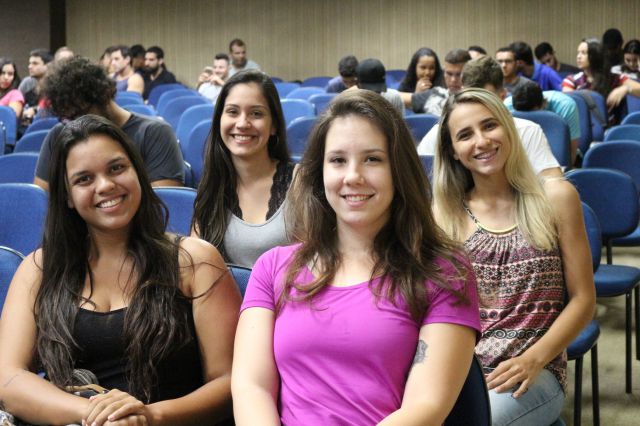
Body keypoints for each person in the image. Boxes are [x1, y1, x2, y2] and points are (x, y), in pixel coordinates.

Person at [232, 89, 481, 425]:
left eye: (372, 159)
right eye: (338, 160)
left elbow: (426, 406)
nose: (352, 176)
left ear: (399, 170)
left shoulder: (444, 271)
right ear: (320, 172)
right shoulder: (272, 267)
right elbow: (251, 388)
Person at [0, 114, 240, 425]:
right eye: (84, 179)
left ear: (137, 172)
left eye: (116, 168)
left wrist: (147, 416)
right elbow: (8, 379)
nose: (105, 185)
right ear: (68, 197)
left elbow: (229, 382)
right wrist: (98, 414)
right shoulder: (40, 270)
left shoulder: (195, 261)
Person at [433, 87, 595, 426]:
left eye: (489, 125)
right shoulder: (444, 215)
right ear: (453, 152)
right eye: (465, 135)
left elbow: (583, 300)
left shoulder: (556, 197)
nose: (481, 141)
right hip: (462, 371)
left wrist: (533, 359)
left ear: (508, 129)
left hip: (533, 371)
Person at [192, 69, 294, 269]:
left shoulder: (300, 182)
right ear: (219, 119)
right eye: (232, 112)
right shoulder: (211, 185)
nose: (242, 123)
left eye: (256, 113)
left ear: (273, 125)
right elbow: (196, 265)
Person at [34, 56, 184, 190]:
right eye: (68, 118)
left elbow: (164, 204)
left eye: (81, 114)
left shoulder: (154, 133)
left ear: (104, 96)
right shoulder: (59, 134)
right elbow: (40, 201)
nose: (76, 124)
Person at [418, 55, 561, 178]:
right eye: (470, 100)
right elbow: (420, 182)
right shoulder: (441, 133)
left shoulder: (527, 131)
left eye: (486, 101)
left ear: (502, 97)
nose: (477, 109)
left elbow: (553, 184)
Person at [562, 38, 640, 124]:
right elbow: (568, 105)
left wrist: (626, 88)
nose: (578, 56)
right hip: (582, 126)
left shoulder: (615, 78)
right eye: (578, 52)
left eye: (583, 53)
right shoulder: (572, 80)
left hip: (610, 128)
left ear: (595, 55)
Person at [506, 79, 581, 164]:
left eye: (534, 116)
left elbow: (570, 154)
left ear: (544, 103)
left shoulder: (565, 106)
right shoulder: (508, 106)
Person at [402, 48, 470, 115]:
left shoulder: (474, 98)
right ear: (444, 72)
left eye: (459, 74)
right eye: (449, 74)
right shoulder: (435, 94)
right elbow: (397, 97)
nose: (453, 80)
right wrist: (417, 95)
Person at [18, 48, 53, 124]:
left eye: (35, 63)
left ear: (48, 65)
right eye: (30, 63)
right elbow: (17, 105)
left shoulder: (55, 83)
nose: (30, 66)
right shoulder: (27, 83)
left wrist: (34, 110)